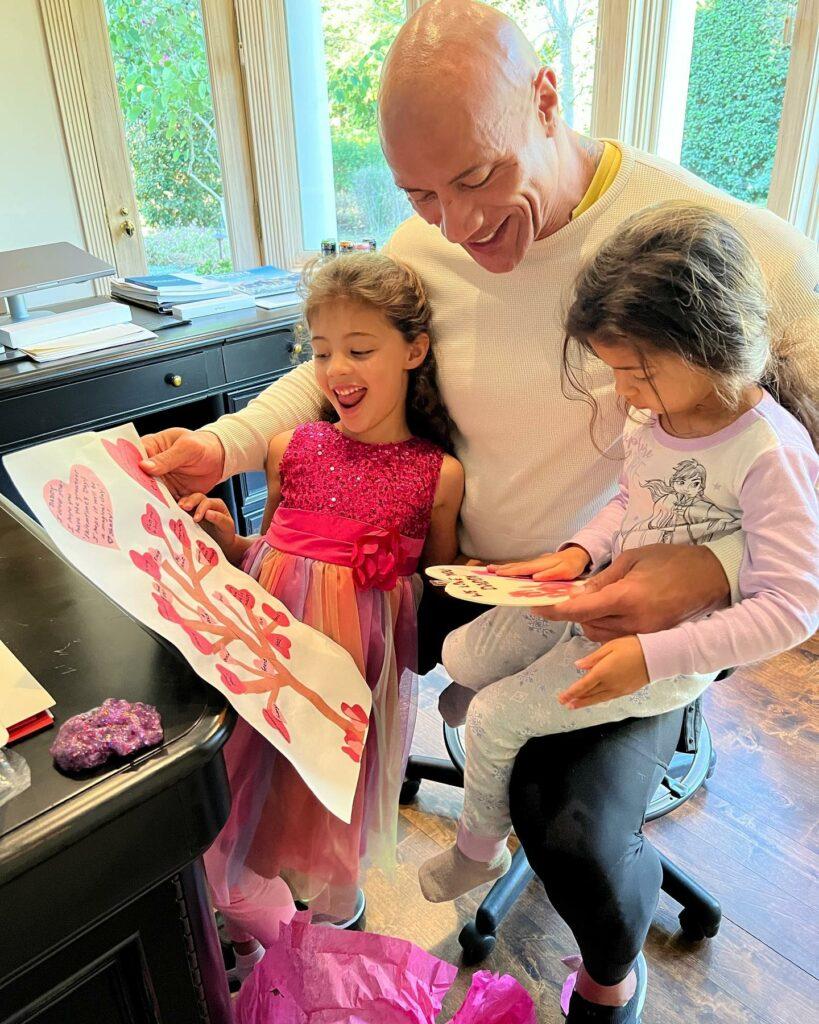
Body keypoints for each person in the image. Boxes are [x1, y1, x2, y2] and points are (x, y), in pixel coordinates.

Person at [139, 2, 818, 1018]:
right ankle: (315, 899)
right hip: (473, 568)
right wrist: (224, 444)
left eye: (476, 178)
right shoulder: (427, 241)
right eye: (421, 190)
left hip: (635, 596)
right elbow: (336, 365)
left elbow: (791, 467)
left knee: (573, 828)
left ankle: (608, 975)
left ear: (547, 99)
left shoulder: (699, 237)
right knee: (290, 672)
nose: (456, 223)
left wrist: (713, 572)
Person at [417, 207, 819, 953]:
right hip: (600, 595)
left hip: (667, 650)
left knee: (494, 714)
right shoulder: (655, 416)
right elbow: (632, 502)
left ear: (713, 344)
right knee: (462, 657)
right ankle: (517, 720)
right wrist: (577, 552)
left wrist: (650, 659)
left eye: (637, 370)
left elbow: (793, 609)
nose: (624, 391)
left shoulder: (771, 454)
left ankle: (479, 848)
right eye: (614, 370)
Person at [182, 253, 463, 976]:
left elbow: (437, 586)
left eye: (360, 349)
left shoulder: (437, 474)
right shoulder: (291, 447)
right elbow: (264, 555)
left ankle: (325, 936)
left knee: (323, 802)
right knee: (253, 790)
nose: (337, 367)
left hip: (350, 677)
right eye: (322, 350)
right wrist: (225, 538)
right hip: (269, 661)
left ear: (414, 350)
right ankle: (255, 924)